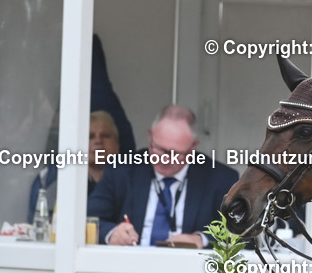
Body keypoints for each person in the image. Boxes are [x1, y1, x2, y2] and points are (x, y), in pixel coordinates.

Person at [87, 105, 237, 248]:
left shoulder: (221, 179)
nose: (165, 159)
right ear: (150, 136)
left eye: (175, 153)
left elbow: (241, 232)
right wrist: (112, 233)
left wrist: (201, 239)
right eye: (160, 150)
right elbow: (87, 218)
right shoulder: (122, 170)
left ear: (193, 147)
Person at [28, 110, 121, 222]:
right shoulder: (58, 178)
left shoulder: (128, 183)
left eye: (105, 135)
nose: (98, 141)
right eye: (90, 136)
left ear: (117, 146)